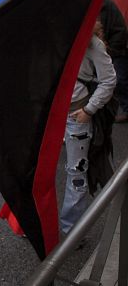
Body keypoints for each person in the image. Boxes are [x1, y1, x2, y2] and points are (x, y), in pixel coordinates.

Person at [59, 30, 116, 235]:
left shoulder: (92, 43)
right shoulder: (50, 35)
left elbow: (109, 80)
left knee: (76, 173)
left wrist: (89, 109)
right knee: (37, 168)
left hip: (76, 115)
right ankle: (38, 226)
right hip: (50, 117)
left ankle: (71, 232)